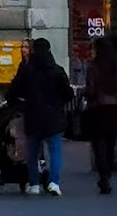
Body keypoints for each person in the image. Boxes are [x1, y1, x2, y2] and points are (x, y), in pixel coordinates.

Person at [8, 36, 72, 196]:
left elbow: (13, 91)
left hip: (32, 114)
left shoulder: (27, 72)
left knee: (32, 151)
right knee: (55, 150)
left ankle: (34, 183)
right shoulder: (57, 70)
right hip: (53, 116)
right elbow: (68, 93)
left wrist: (17, 102)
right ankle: (54, 182)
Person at [85, 37, 117, 195]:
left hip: (98, 109)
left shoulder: (93, 68)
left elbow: (91, 90)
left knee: (98, 145)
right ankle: (108, 172)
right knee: (110, 144)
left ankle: (103, 176)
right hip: (115, 110)